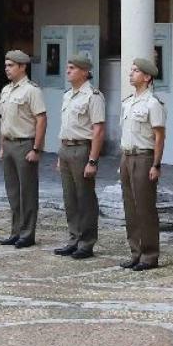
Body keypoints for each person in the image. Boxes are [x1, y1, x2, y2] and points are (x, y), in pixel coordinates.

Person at [54, 52, 104, 259]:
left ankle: (86, 242)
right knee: (70, 198)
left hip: (82, 149)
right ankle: (73, 238)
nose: (68, 70)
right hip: (66, 148)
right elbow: (65, 126)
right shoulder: (67, 95)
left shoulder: (93, 96)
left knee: (85, 198)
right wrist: (59, 156)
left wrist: (92, 160)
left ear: (84, 72)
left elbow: (98, 129)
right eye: (68, 67)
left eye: (73, 68)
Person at [118, 57, 165, 271]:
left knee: (145, 207)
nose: (131, 73)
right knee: (130, 207)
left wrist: (156, 164)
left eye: (136, 71)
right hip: (127, 156)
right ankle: (135, 251)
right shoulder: (128, 102)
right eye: (131, 69)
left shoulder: (152, 103)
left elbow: (159, 136)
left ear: (147, 77)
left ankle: (149, 254)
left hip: (143, 157)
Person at [0, 50, 46, 248]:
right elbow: (3, 121)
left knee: (27, 191)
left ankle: (27, 233)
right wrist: (1, 146)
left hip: (24, 143)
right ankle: (15, 230)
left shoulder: (32, 90)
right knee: (13, 191)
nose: (7, 69)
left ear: (22, 67)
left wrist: (36, 148)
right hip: (8, 143)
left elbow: (41, 119)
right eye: (6, 65)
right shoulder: (6, 90)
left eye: (11, 65)